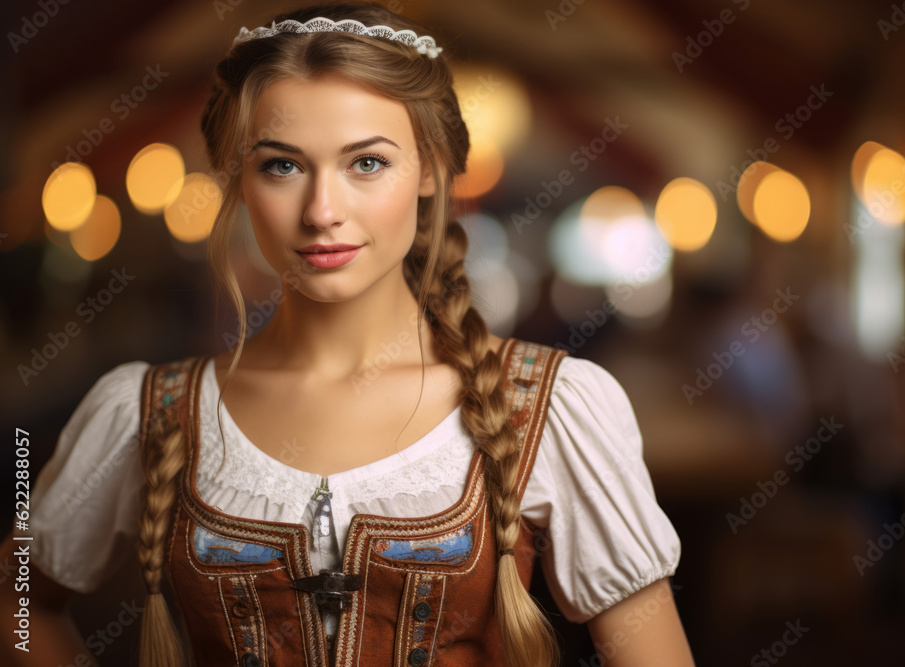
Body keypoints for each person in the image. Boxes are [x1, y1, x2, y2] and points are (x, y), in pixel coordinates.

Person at [0, 2, 694, 665]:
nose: (322, 210)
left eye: (367, 162)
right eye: (282, 165)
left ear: (430, 169)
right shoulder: (144, 410)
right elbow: (19, 600)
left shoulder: (552, 406)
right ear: (238, 180)